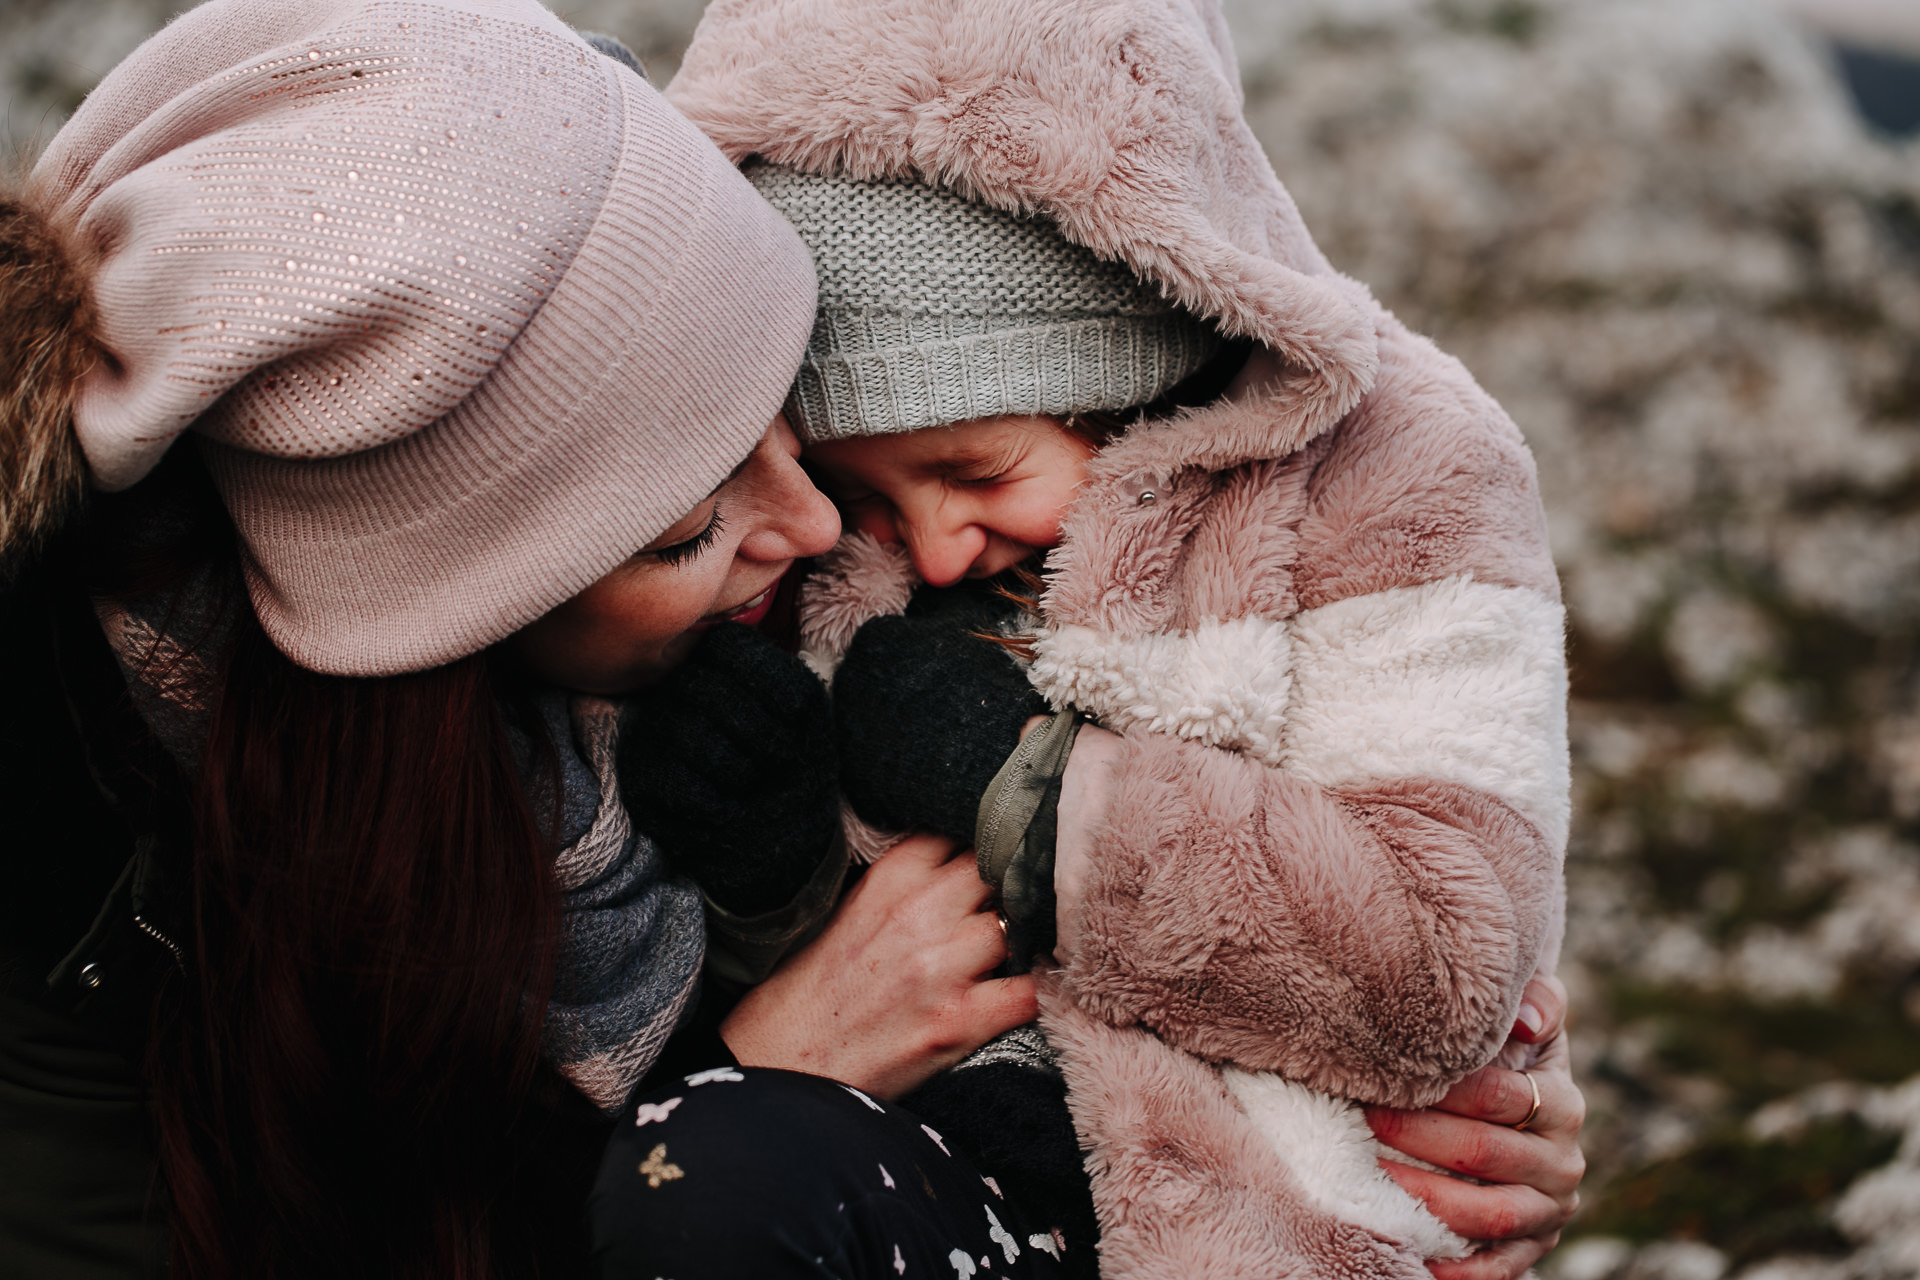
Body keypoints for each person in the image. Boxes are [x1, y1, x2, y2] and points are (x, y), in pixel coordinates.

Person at [0, 0, 1581, 1277]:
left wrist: (1413, 1092)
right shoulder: (77, 849)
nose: (820, 531)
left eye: (785, 430)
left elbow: (1414, 935)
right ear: (452, 596)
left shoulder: (679, 642)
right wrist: (762, 1066)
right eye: (687, 523)